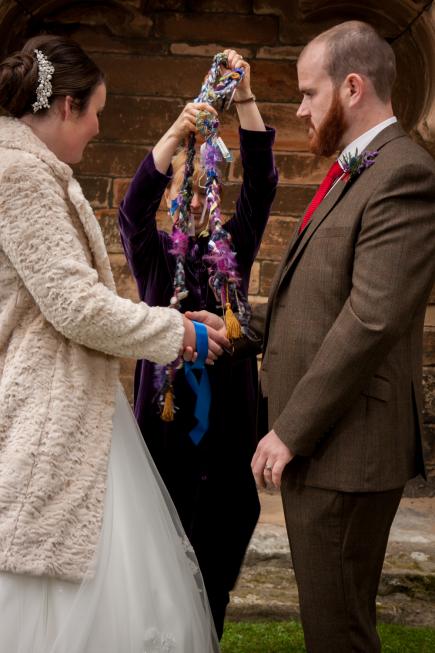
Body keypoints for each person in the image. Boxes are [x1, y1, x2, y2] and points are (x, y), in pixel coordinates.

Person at [192, 20, 435, 653]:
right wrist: (239, 328)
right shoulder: (357, 169)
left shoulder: (405, 176)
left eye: (307, 93)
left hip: (345, 447)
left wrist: (289, 429)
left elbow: (370, 318)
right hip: (327, 445)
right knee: (328, 623)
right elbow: (316, 298)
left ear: (352, 87)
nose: (299, 108)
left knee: (338, 633)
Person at [0, 34, 226, 652]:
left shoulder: (34, 170)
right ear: (67, 106)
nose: (100, 127)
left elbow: (70, 300)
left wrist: (175, 320)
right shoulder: (20, 175)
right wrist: (173, 333)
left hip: (74, 403)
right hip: (49, 412)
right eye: (97, 111)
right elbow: (74, 306)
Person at [118, 49, 278, 637]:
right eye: (188, 183)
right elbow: (132, 211)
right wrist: (178, 132)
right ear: (176, 188)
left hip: (228, 438)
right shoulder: (157, 257)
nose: (197, 196)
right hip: (165, 440)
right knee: (158, 578)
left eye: (208, 184)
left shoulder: (234, 249)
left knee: (215, 575)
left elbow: (263, 186)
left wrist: (247, 99)